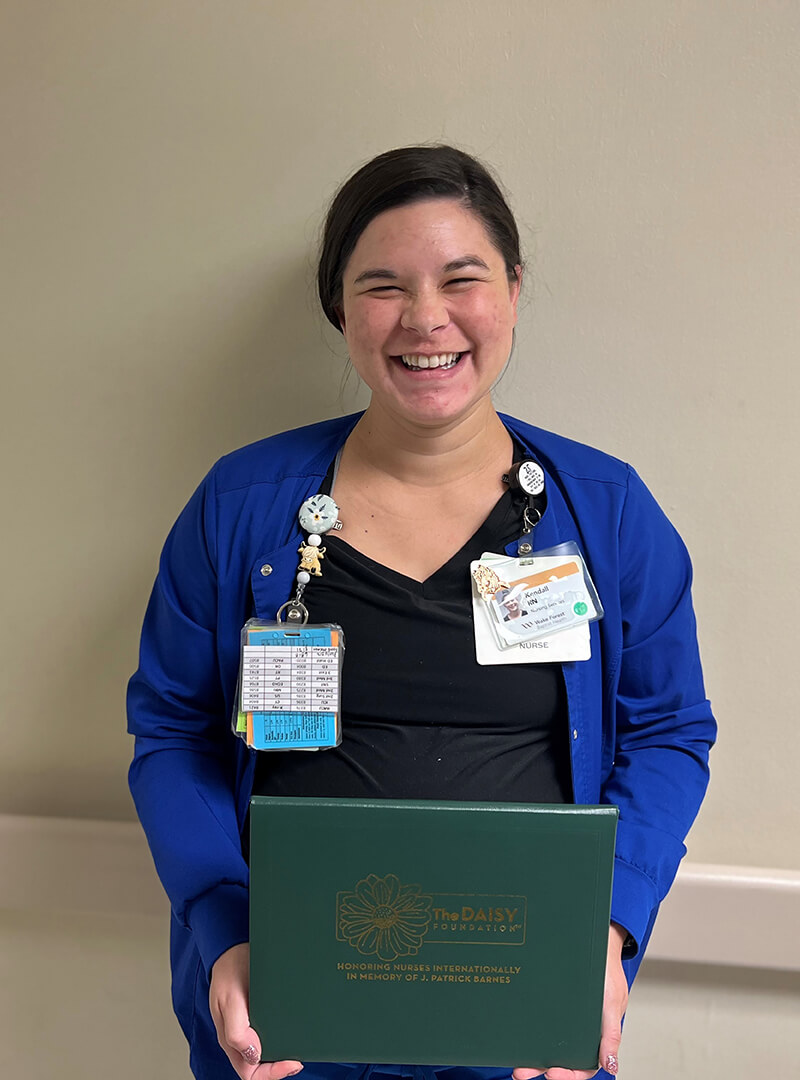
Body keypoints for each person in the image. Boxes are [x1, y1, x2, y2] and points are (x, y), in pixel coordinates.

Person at [127, 145, 715, 1080]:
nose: (426, 318)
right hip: (290, 1005)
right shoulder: (241, 506)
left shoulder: (607, 511)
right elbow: (170, 730)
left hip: (528, 1005)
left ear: (514, 291)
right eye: (383, 286)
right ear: (341, 309)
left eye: (462, 278)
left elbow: (671, 730)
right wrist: (223, 928)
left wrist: (607, 934)